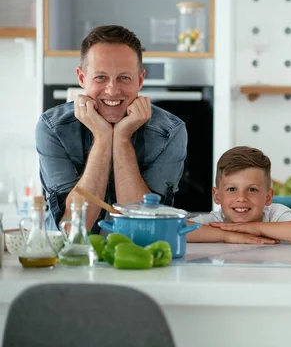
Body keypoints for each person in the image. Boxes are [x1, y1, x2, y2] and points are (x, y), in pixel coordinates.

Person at [36, 25, 187, 233]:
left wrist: (122, 138)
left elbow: (144, 229)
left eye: (124, 78)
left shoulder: (170, 131)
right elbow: (73, 229)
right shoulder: (53, 128)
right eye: (101, 77)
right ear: (81, 78)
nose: (113, 90)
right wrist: (102, 136)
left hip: (140, 257)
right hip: (70, 260)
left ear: (140, 79)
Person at [186, 146, 291, 245]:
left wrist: (256, 228)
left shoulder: (276, 215)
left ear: (268, 197)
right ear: (217, 196)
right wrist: (228, 235)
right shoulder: (215, 222)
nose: (241, 197)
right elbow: (172, 229)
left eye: (252, 190)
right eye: (232, 189)